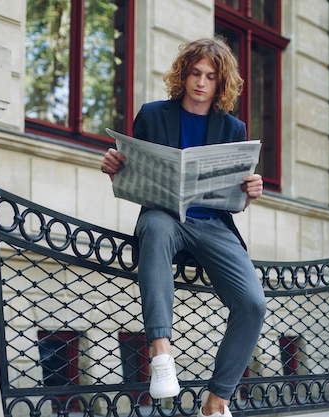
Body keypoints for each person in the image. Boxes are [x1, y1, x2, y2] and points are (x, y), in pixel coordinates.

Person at [101, 37, 267, 417]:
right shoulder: (152, 115)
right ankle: (161, 356)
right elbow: (130, 177)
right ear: (184, 74)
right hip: (163, 216)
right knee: (157, 229)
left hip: (212, 223)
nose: (201, 82)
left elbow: (235, 200)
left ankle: (216, 402)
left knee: (253, 304)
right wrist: (113, 168)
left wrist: (250, 192)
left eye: (210, 76)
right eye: (195, 73)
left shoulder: (232, 128)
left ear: (220, 82)